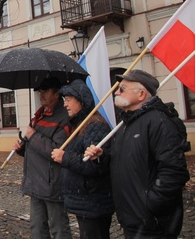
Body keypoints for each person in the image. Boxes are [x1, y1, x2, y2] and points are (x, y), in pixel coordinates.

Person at [85, 70, 189, 238]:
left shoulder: (158, 122)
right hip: (131, 218)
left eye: (122, 89)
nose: (116, 92)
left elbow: (174, 171)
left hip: (152, 223)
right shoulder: (125, 124)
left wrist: (151, 204)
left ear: (141, 94)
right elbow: (125, 161)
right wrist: (102, 156)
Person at [50, 79, 114, 239]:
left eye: (69, 100)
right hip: (85, 201)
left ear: (81, 101)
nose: (65, 104)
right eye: (65, 100)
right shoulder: (79, 124)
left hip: (93, 201)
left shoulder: (95, 125)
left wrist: (65, 158)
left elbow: (96, 165)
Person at [13, 77, 72, 239]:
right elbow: (34, 148)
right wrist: (22, 149)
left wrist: (33, 136)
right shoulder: (39, 116)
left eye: (45, 91)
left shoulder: (63, 117)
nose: (41, 94)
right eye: (40, 91)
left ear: (56, 94)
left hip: (52, 183)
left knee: (58, 228)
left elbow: (56, 151)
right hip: (35, 182)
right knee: (37, 228)